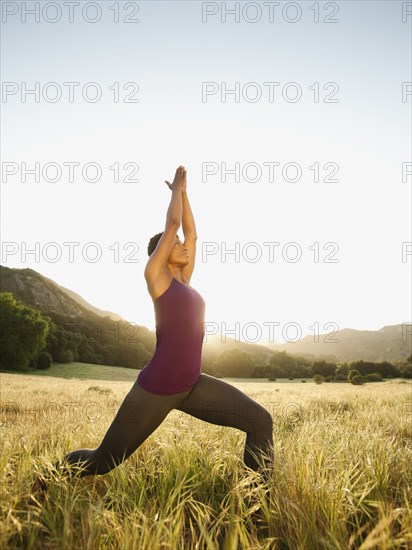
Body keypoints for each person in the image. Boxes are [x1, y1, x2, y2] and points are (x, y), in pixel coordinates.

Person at [32, 166, 274, 497]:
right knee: (104, 460)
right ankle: (43, 479)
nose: (183, 245)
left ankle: (258, 501)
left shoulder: (185, 281)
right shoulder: (156, 279)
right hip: (156, 388)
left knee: (260, 421)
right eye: (174, 244)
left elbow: (191, 232)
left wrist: (186, 194)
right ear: (161, 254)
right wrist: (174, 191)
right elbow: (173, 225)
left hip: (191, 384)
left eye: (179, 243)